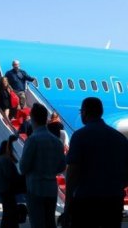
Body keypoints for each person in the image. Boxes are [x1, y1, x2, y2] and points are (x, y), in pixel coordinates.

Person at [65, 97, 128, 228]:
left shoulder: (80, 136)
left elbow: (72, 173)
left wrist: (68, 205)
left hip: (87, 201)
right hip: (113, 201)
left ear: (85, 113)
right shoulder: (119, 138)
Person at [19, 103, 66, 228]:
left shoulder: (32, 140)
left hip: (35, 188)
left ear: (32, 118)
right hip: (51, 188)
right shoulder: (56, 141)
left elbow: (23, 168)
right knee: (50, 222)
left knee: (38, 223)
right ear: (46, 118)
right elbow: (62, 167)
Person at [0, 136, 21, 228]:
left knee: (7, 211)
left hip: (2, 189)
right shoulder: (5, 159)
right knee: (10, 211)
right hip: (7, 189)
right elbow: (10, 175)